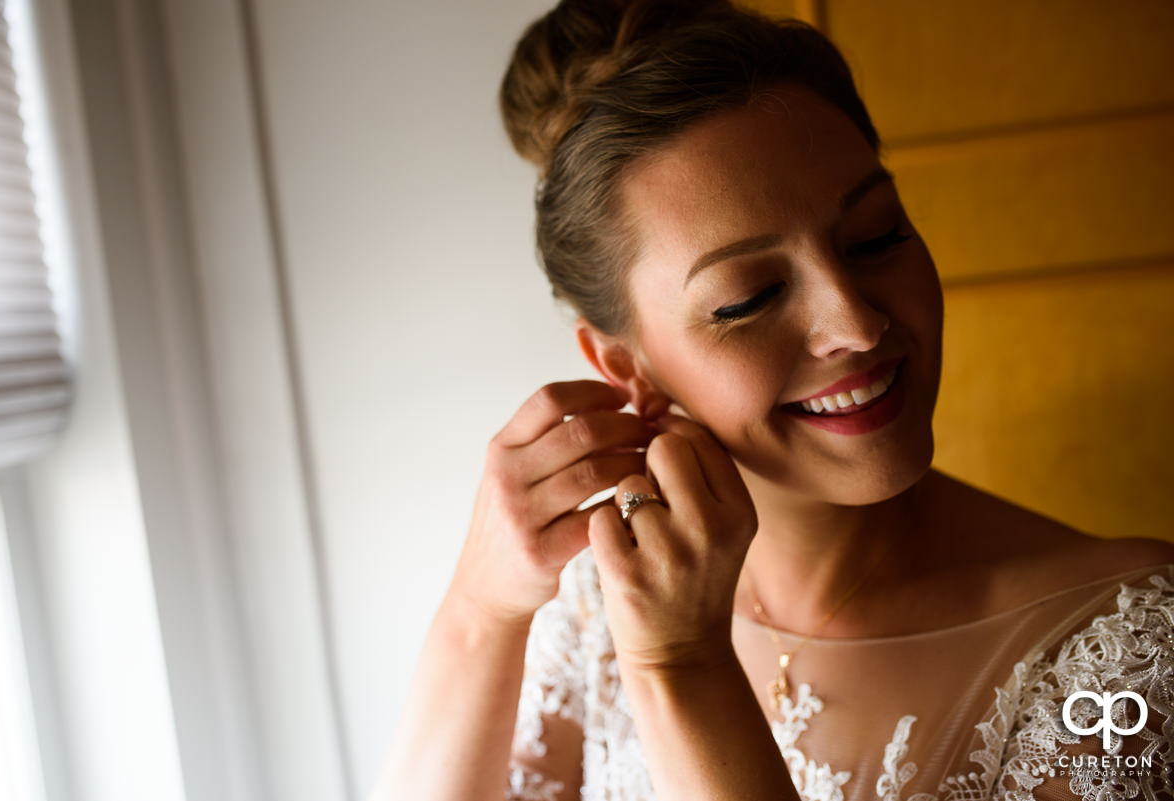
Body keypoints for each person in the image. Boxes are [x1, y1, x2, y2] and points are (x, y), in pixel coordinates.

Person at [370, 2, 1174, 799]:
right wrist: (479, 610)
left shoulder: (1131, 645)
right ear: (627, 366)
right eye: (748, 297)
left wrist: (680, 669)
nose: (856, 324)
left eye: (877, 235)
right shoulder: (595, 604)